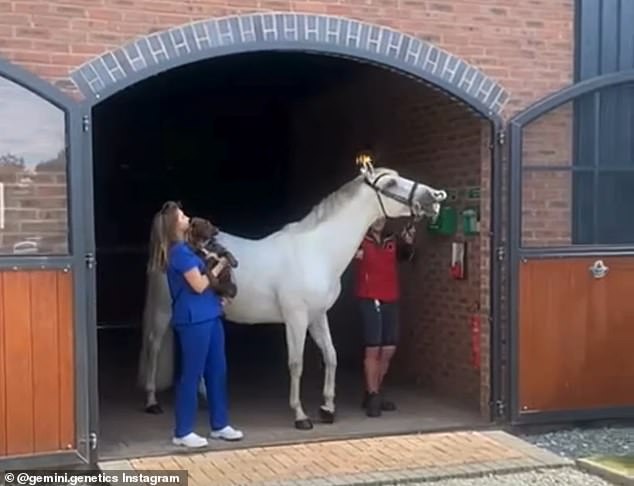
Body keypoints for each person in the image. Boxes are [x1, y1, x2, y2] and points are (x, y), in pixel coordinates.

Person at [154, 200, 243, 448]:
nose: (187, 218)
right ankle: (183, 431)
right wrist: (223, 263)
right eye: (182, 217)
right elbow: (200, 284)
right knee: (192, 374)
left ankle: (220, 424)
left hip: (209, 314)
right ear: (173, 225)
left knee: (218, 370)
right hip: (193, 319)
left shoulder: (190, 249)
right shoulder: (179, 253)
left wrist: (220, 298)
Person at [354, 216, 415, 417]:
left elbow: (405, 257)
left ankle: (375, 392)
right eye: (375, 217)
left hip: (391, 297)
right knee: (374, 348)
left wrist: (408, 242)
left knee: (388, 349)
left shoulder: (392, 239)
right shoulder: (359, 239)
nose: (379, 221)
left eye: (382, 217)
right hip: (369, 298)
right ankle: (372, 396)